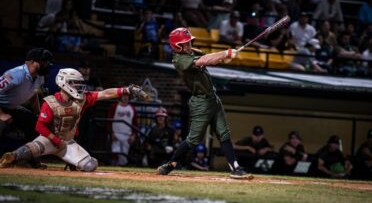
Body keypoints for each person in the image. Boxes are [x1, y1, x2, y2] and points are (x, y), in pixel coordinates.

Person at [0, 68, 148, 171]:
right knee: (27, 151)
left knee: (90, 165)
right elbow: (40, 127)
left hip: (68, 142)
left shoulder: (83, 99)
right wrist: (55, 140)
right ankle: (14, 158)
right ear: (64, 83)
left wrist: (126, 90)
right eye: (74, 83)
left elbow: (104, 94)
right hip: (49, 140)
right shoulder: (51, 102)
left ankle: (71, 161)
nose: (78, 86)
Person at [156, 27, 252, 179]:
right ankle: (170, 164)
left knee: (224, 134)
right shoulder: (179, 60)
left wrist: (224, 57)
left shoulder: (192, 51)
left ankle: (235, 168)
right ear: (177, 46)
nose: (188, 45)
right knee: (193, 140)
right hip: (200, 102)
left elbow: (211, 59)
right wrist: (225, 53)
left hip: (213, 99)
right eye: (185, 43)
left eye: (189, 42)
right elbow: (204, 60)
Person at [0, 48, 53, 149]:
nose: (47, 65)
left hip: (13, 108)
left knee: (37, 125)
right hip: (1, 107)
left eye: (48, 62)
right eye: (44, 62)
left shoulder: (40, 76)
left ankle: (27, 158)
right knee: (1, 125)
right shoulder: (15, 75)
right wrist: (1, 114)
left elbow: (33, 94)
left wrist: (38, 113)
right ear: (32, 62)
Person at [107, 92, 138, 166]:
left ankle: (121, 171)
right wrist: (111, 133)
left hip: (127, 135)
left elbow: (135, 123)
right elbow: (108, 121)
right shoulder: (114, 106)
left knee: (124, 157)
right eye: (123, 95)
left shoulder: (132, 108)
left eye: (127, 96)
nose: (125, 97)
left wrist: (133, 135)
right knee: (114, 153)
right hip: (115, 134)